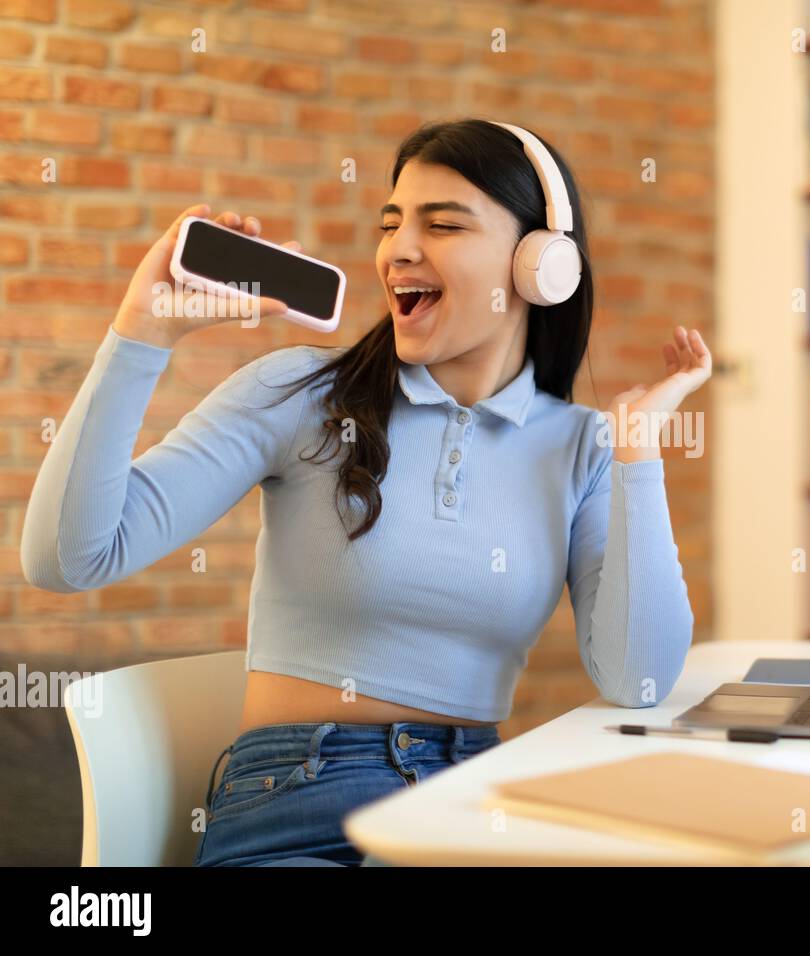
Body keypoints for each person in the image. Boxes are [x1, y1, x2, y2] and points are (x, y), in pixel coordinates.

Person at [20, 118, 709, 866]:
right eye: (392, 224)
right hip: (296, 802)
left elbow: (638, 678)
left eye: (442, 224)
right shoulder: (298, 393)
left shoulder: (582, 447)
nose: (399, 249)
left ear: (541, 266)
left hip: (471, 803)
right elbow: (67, 557)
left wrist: (637, 451)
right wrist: (141, 332)